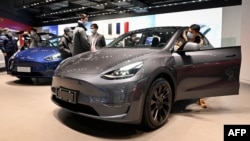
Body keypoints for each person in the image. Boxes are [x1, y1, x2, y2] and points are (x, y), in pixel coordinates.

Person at [174, 24, 207, 108]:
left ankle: (201, 98)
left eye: (191, 32)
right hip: (181, 60)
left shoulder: (200, 42)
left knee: (199, 79)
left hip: (194, 62)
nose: (189, 33)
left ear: (196, 33)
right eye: (189, 31)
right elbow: (175, 48)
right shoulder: (180, 37)